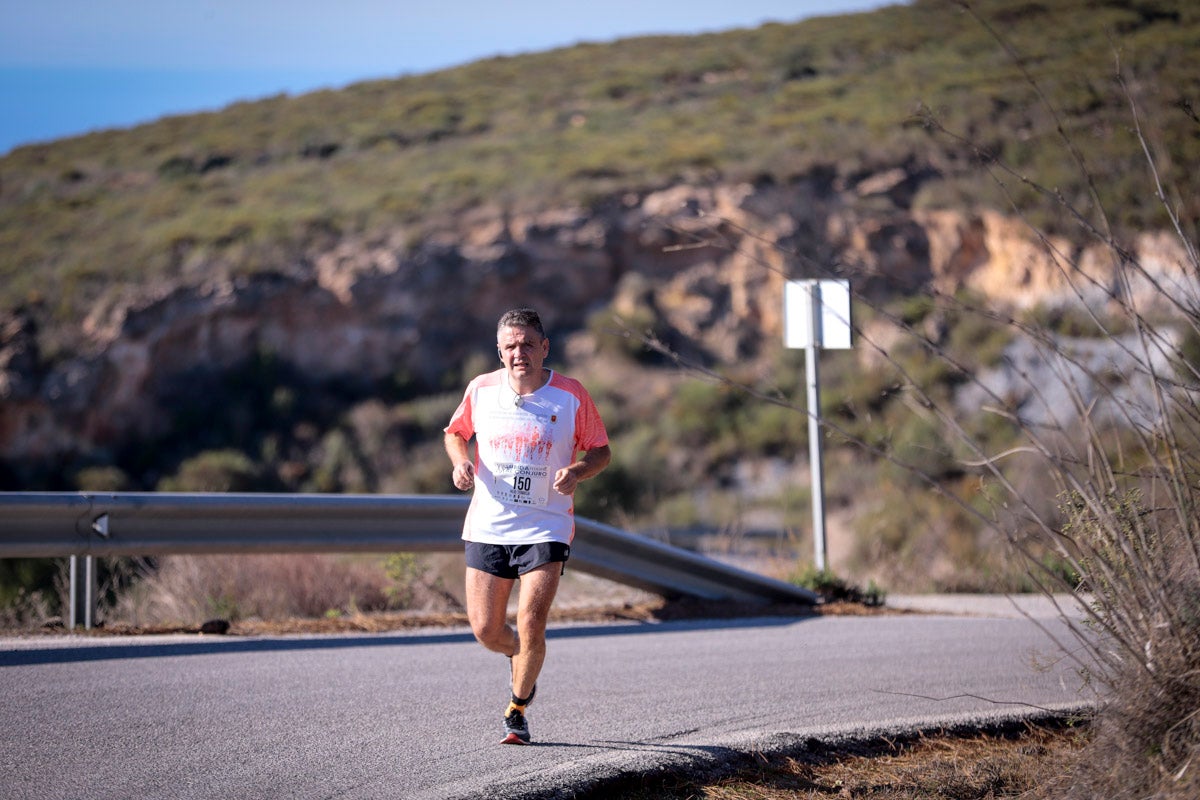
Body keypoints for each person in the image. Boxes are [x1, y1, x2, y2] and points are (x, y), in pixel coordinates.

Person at [443, 307, 611, 745]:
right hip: (488, 525)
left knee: (532, 621)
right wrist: (461, 461)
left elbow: (601, 451)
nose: (520, 353)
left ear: (544, 348)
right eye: (511, 346)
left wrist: (577, 471)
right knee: (486, 629)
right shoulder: (480, 390)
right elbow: (455, 432)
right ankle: (521, 660)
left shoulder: (570, 395)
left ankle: (516, 708)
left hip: (547, 526)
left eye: (528, 345)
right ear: (500, 352)